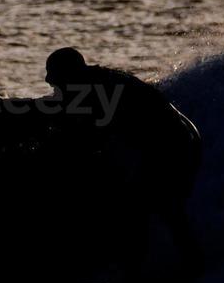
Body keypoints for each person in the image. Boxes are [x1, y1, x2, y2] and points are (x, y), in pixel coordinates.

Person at [44, 48, 202, 270]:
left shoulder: (96, 90)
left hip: (177, 143)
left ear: (71, 74)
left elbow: (87, 137)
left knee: (150, 208)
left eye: (54, 75)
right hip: (179, 138)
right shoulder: (93, 82)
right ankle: (165, 268)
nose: (48, 80)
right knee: (148, 207)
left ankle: (167, 273)